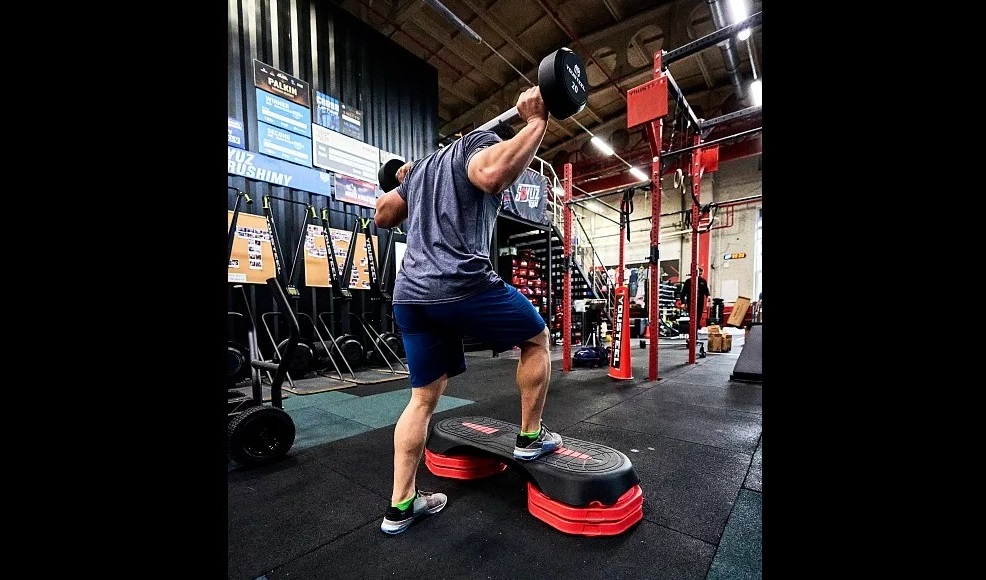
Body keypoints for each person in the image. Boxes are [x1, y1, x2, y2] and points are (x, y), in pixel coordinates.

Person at [373, 86, 561, 535]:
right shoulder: (472, 144)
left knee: (421, 399)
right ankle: (530, 437)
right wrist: (537, 121)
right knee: (536, 338)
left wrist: (408, 181)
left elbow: (382, 215)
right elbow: (491, 174)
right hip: (462, 284)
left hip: (411, 295)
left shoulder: (420, 173)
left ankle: (400, 506)